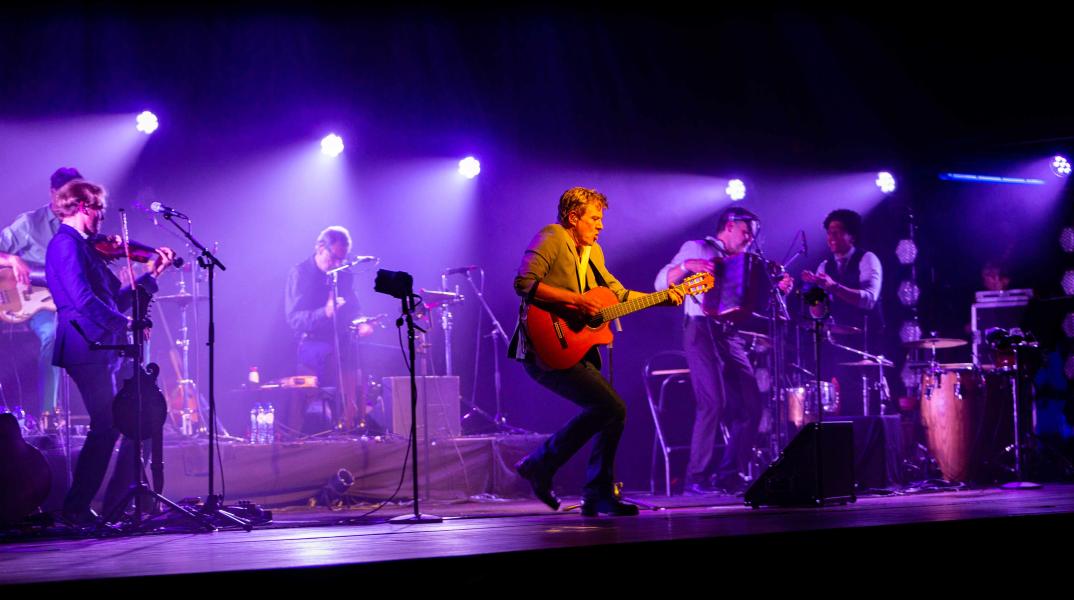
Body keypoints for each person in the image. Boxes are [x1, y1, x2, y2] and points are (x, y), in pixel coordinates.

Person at [508, 187, 681, 516]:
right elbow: (523, 283)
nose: (600, 225)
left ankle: (591, 491)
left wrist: (663, 296)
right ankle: (546, 466)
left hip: (574, 347)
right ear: (574, 218)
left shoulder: (593, 252)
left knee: (611, 411)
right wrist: (575, 300)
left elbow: (619, 294)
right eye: (594, 218)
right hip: (543, 344)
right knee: (611, 408)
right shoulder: (552, 236)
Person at [46, 180, 176, 524]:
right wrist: (125, 324)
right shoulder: (65, 244)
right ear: (81, 206)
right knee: (106, 425)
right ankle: (76, 508)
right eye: (99, 209)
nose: (102, 216)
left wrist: (149, 276)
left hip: (100, 344)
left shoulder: (83, 246)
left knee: (122, 423)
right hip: (84, 344)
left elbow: (108, 300)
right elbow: (82, 300)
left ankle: (101, 505)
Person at [655, 206, 792, 494]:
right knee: (713, 402)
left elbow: (758, 300)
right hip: (700, 328)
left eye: (752, 236)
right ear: (729, 226)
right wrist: (686, 266)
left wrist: (780, 287)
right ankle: (697, 477)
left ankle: (729, 474)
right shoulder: (698, 247)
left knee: (752, 406)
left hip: (729, 332)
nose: (748, 240)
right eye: (746, 233)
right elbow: (660, 283)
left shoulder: (746, 261)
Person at [0, 167, 84, 426]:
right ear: (52, 193)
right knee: (53, 334)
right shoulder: (29, 223)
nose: (67, 204)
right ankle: (50, 412)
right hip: (34, 304)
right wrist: (12, 258)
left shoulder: (82, 228)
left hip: (70, 302)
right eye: (63, 196)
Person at [284, 226, 372, 430]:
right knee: (307, 396)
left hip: (340, 343)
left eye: (342, 259)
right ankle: (298, 438)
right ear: (320, 247)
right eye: (333, 258)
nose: (337, 264)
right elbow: (293, 319)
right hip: (311, 344)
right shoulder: (300, 273)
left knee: (358, 360)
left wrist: (362, 323)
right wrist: (325, 312)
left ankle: (352, 424)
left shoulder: (344, 274)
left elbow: (354, 309)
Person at [801, 208, 884, 415]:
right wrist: (812, 292)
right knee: (839, 402)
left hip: (868, 342)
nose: (831, 238)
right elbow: (818, 314)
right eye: (829, 232)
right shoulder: (824, 266)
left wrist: (833, 287)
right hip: (838, 345)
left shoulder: (867, 258)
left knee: (868, 402)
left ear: (851, 236)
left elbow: (869, 300)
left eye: (837, 232)